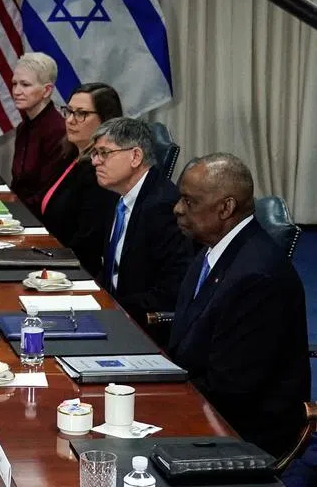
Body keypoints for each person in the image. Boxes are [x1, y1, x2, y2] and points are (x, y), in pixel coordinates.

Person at [170, 154, 309, 458]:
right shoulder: (215, 248)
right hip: (200, 402)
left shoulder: (257, 277)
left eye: (189, 201)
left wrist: (156, 399)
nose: (177, 209)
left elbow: (230, 390)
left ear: (226, 207)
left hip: (240, 433)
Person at [78, 117, 195, 324]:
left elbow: (169, 293)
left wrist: (107, 308)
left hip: (139, 324)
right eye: (95, 153)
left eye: (104, 153)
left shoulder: (163, 208)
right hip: (110, 311)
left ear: (135, 156)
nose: (95, 161)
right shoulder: (116, 193)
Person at [39, 83, 122, 248]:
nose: (70, 120)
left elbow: (87, 243)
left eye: (81, 114)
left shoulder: (101, 171)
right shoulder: (69, 155)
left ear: (106, 120)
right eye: (69, 111)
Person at [9, 53, 68, 213]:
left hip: (41, 219)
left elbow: (47, 195)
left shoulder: (58, 131)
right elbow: (18, 184)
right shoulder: (23, 127)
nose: (17, 91)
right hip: (19, 212)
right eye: (15, 84)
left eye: (25, 85)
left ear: (47, 90)